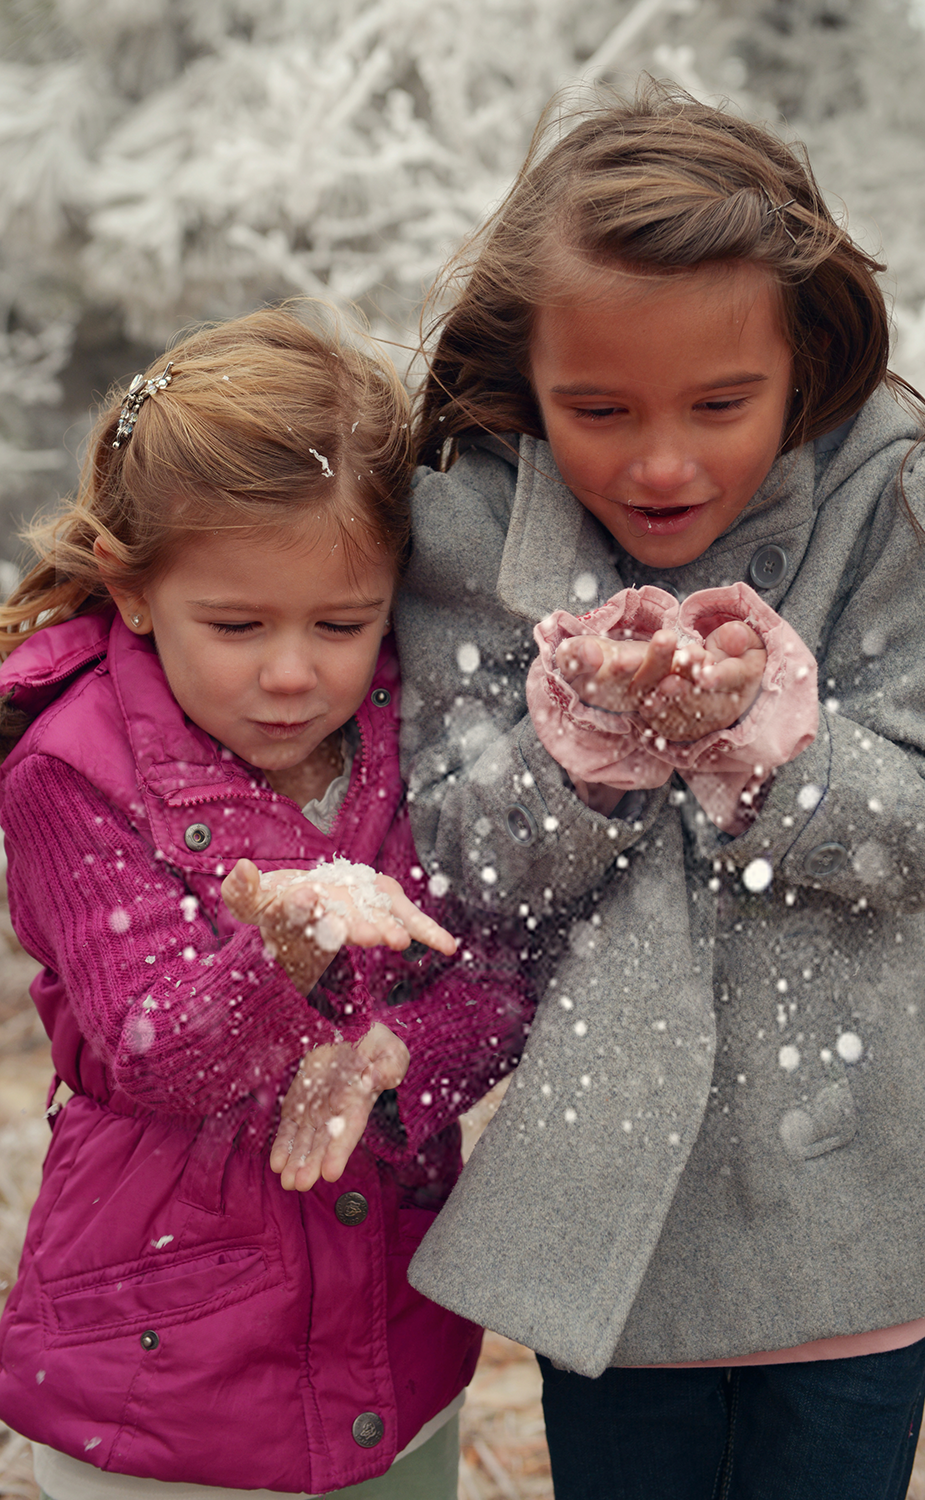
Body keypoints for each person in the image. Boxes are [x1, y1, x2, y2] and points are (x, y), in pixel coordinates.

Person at [393, 82, 925, 1499]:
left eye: (722, 405)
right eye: (597, 410)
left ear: (808, 362)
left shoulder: (901, 497)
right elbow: (454, 851)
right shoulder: (474, 518)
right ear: (531, 379)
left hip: (858, 1183)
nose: (661, 462)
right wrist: (585, 762)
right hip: (616, 1219)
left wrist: (771, 747)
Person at [0, 306, 532, 1500]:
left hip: (394, 1342)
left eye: (341, 624)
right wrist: (280, 942)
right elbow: (150, 1047)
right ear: (133, 592)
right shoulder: (69, 774)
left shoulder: (417, 728)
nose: (294, 672)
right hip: (162, 1370)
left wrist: (401, 1054)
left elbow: (503, 970)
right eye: (237, 627)